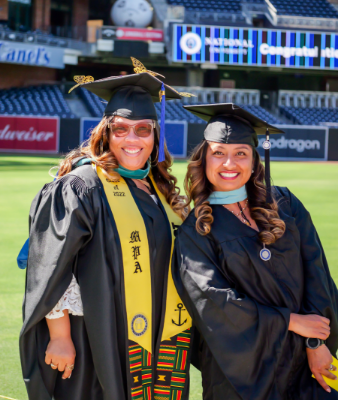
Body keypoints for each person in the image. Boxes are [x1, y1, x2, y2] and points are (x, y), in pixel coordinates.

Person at [19, 61, 194, 400]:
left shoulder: (157, 189)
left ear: (156, 134)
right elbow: (52, 264)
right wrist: (60, 335)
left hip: (158, 338)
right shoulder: (82, 186)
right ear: (105, 133)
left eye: (143, 129)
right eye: (121, 129)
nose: (133, 138)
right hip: (97, 337)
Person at [172, 103, 338, 400]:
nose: (229, 163)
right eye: (219, 153)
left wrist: (315, 343)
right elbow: (216, 303)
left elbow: (317, 273)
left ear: (254, 161)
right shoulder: (195, 232)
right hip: (240, 374)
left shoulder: (286, 205)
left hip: (303, 361)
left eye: (241, 153)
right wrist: (290, 321)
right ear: (204, 159)